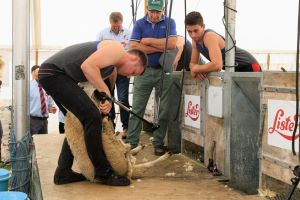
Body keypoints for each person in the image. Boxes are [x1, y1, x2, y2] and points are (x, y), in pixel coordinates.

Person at [38, 40, 147, 186]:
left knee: (77, 121)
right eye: (133, 72)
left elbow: (94, 85)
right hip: (54, 73)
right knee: (92, 118)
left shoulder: (110, 68)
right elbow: (87, 66)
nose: (128, 76)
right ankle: (103, 172)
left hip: (56, 75)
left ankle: (63, 172)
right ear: (134, 59)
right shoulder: (117, 49)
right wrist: (105, 92)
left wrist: (105, 100)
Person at [125, 0, 177, 156]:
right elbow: (133, 46)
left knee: (164, 109)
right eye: (152, 11)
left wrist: (147, 42)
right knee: (137, 108)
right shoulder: (139, 23)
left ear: (163, 8)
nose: (154, 15)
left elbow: (173, 44)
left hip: (163, 71)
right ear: (147, 9)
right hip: (143, 71)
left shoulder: (170, 22)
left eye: (157, 11)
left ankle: (158, 143)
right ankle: (131, 142)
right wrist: (161, 46)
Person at [185, 11, 261, 80]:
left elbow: (217, 65)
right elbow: (192, 64)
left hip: (249, 65)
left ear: (203, 26)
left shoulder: (209, 36)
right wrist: (198, 69)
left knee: (249, 95)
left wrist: (197, 69)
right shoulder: (195, 41)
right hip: (234, 70)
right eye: (189, 32)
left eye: (196, 30)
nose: (193, 35)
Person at [96, 12, 131, 139]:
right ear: (110, 23)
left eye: (118, 25)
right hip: (106, 72)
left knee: (123, 99)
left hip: (121, 72)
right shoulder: (102, 34)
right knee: (108, 97)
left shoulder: (129, 33)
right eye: (113, 25)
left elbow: (131, 52)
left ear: (121, 22)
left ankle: (126, 127)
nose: (116, 27)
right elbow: (96, 51)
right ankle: (110, 127)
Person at [30, 65, 57, 135]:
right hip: (33, 121)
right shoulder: (28, 87)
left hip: (44, 121)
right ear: (33, 73)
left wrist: (51, 108)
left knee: (43, 142)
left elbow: (49, 103)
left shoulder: (46, 86)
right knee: (33, 143)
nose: (40, 74)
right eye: (38, 72)